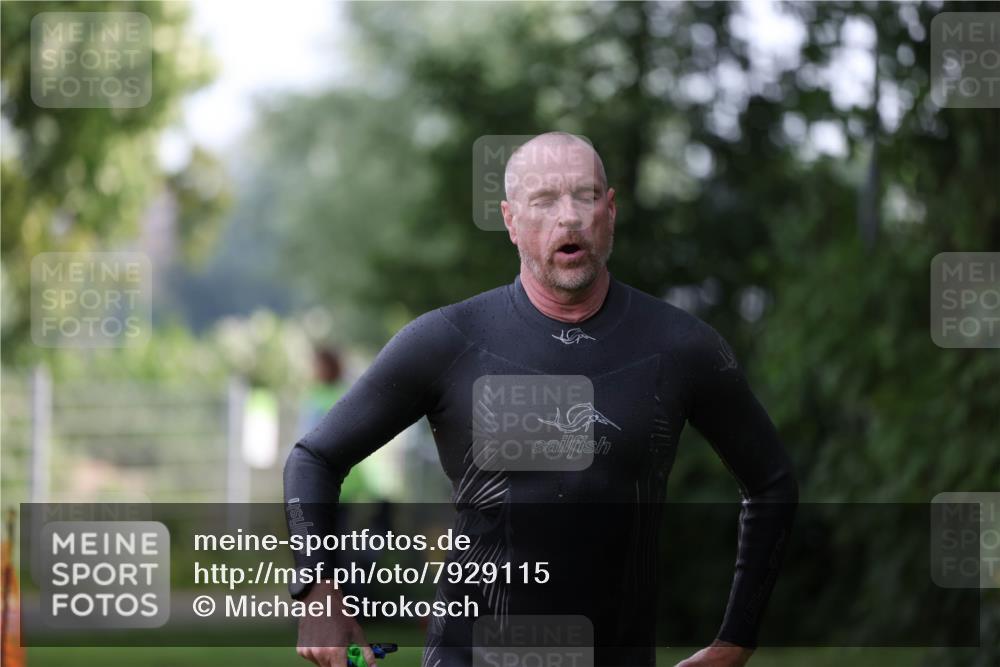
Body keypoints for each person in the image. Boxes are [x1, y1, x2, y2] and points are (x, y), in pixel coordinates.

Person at [284, 132, 798, 667]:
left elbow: (772, 483)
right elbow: (314, 458)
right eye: (544, 200)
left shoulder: (679, 347)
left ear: (611, 210)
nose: (569, 217)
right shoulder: (448, 341)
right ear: (510, 220)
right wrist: (316, 588)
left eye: (586, 195)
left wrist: (734, 643)